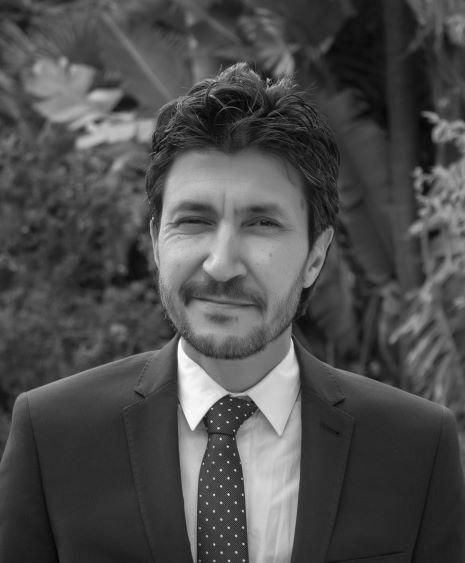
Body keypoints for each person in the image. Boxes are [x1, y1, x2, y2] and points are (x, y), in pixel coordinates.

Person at [0, 63, 464, 563]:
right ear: (157, 241)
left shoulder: (415, 448)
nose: (221, 265)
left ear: (315, 255)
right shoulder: (53, 436)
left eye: (261, 223)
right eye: (194, 220)